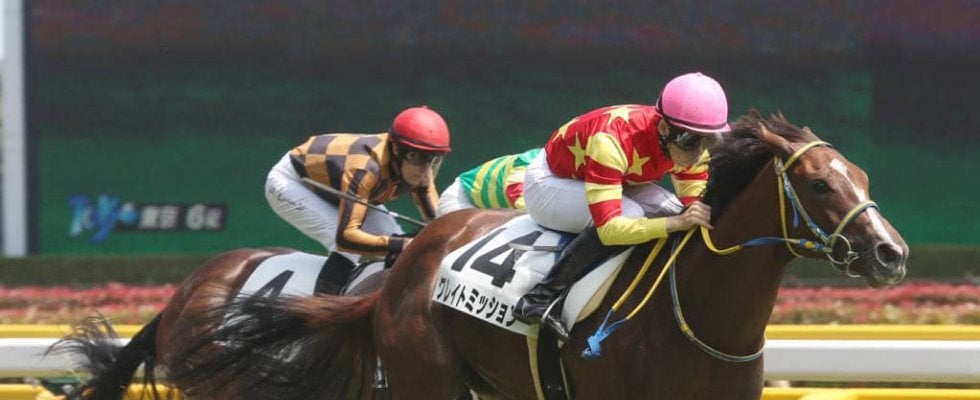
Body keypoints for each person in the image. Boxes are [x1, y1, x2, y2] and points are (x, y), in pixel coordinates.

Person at [513, 72, 731, 340]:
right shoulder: (611, 141)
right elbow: (609, 230)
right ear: (665, 128)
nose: (698, 153)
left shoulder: (682, 139)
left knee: (675, 212)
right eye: (690, 140)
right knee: (635, 215)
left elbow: (693, 203)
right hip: (550, 183)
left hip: (615, 177)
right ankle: (539, 298)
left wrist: (687, 217)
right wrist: (675, 223)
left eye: (708, 140)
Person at [265, 106, 451, 292]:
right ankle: (322, 307)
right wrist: (400, 244)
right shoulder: (365, 169)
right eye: (415, 157)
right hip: (293, 182)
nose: (425, 170)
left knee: (394, 241)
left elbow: (437, 222)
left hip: (338, 187)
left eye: (433, 159)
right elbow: (345, 238)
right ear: (396, 149)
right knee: (347, 249)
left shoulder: (420, 169)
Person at [437, 148, 542, 216]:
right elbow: (515, 188)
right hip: (461, 200)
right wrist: (541, 215)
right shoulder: (531, 160)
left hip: (489, 212)